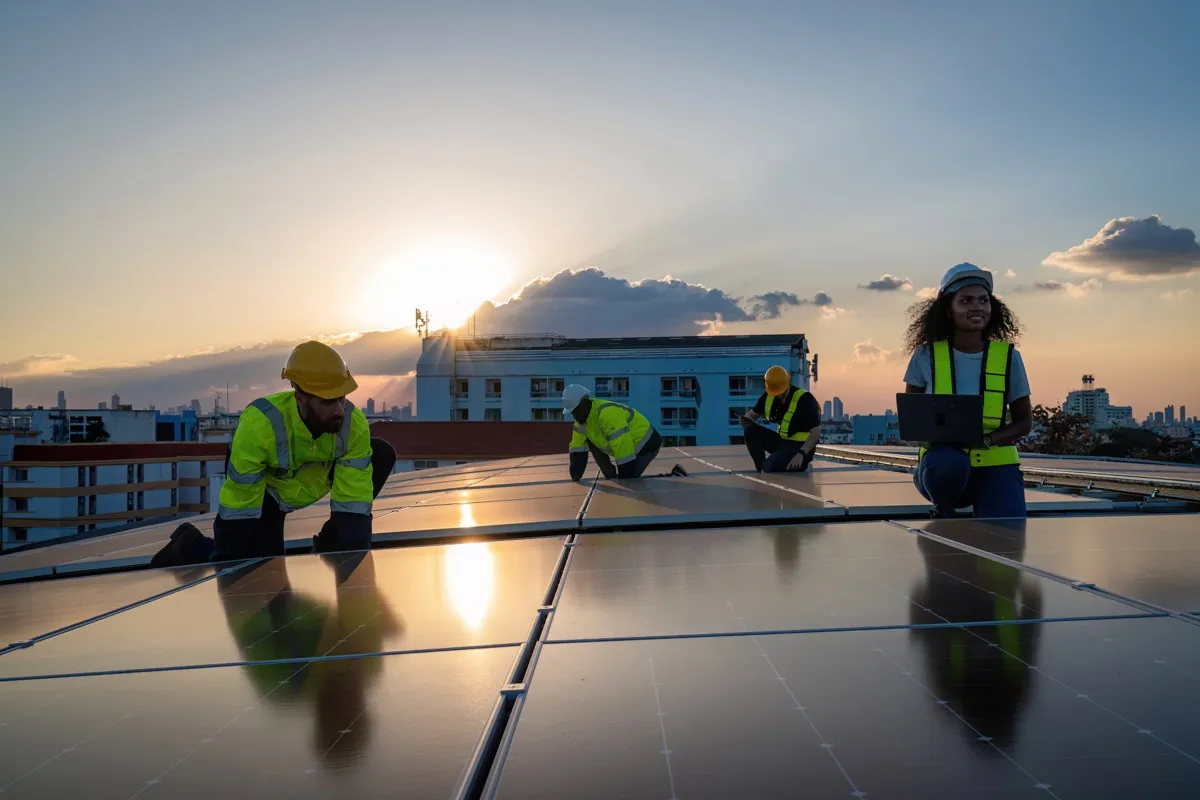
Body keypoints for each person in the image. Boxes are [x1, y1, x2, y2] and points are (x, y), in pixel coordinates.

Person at [151, 341, 397, 567]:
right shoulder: (260, 425)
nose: (339, 410)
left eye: (341, 399)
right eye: (328, 402)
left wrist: (348, 556)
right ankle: (190, 545)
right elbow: (240, 504)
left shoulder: (352, 424)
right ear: (300, 398)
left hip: (307, 483)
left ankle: (330, 544)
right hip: (266, 494)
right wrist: (225, 565)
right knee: (261, 567)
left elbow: (353, 500)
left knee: (381, 453)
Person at [902, 263, 1032, 518]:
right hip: (943, 467)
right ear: (948, 310)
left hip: (996, 465)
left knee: (1008, 535)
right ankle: (945, 512)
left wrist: (987, 440)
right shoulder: (925, 356)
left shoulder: (1009, 358)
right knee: (948, 463)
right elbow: (911, 422)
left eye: (984, 301)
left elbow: (1024, 422)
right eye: (966, 300)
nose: (977, 307)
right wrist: (942, 440)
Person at [563, 384, 688, 482]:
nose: (574, 415)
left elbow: (622, 447)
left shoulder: (607, 414)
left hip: (646, 442)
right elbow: (577, 450)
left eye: (575, 410)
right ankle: (613, 478)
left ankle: (675, 476)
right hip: (628, 445)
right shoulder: (580, 422)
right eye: (572, 412)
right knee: (592, 442)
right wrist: (576, 476)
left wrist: (624, 478)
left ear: (585, 402)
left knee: (631, 480)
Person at [740, 365, 821, 473]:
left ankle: (803, 465)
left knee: (770, 467)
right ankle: (762, 468)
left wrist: (801, 454)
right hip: (783, 442)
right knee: (750, 430)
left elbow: (816, 433)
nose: (778, 396)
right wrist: (745, 420)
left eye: (781, 393)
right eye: (776, 393)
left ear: (788, 384)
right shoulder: (770, 395)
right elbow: (751, 416)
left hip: (800, 447)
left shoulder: (804, 400)